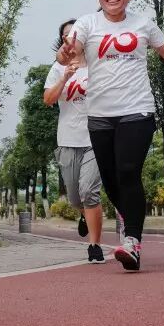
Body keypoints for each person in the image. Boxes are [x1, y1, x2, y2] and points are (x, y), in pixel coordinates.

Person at [58, 0, 164, 271]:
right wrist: (66, 53)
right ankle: (128, 217)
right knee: (111, 181)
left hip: (137, 109)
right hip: (99, 114)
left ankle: (132, 241)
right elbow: (72, 51)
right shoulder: (87, 23)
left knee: (128, 171)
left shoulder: (142, 24)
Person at [44, 19, 105, 263]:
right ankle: (84, 214)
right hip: (68, 139)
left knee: (89, 191)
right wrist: (65, 78)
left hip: (95, 137)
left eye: (75, 34)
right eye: (66, 35)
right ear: (62, 41)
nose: (71, 39)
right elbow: (48, 99)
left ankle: (95, 246)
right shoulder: (57, 68)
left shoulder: (98, 64)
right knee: (74, 198)